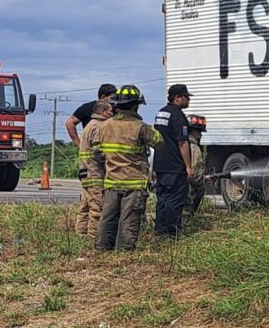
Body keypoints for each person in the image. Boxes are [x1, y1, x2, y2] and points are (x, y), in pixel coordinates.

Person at [95, 85, 161, 251]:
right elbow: (159, 142)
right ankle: (124, 251)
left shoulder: (104, 126)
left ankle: (102, 249)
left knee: (108, 218)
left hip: (111, 182)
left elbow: (97, 153)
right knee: (129, 219)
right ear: (135, 105)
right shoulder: (140, 127)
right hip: (134, 183)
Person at [153, 84, 193, 238]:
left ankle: (160, 230)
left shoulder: (161, 113)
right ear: (177, 98)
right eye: (186, 97)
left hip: (161, 164)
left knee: (162, 198)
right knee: (175, 199)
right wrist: (188, 166)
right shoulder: (178, 116)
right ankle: (173, 233)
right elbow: (182, 142)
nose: (188, 100)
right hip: (175, 166)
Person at [75, 100, 113, 239]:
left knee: (85, 205)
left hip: (85, 171)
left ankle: (81, 233)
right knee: (97, 207)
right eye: (110, 111)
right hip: (94, 172)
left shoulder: (89, 125)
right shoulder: (98, 126)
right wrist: (109, 164)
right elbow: (98, 151)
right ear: (103, 112)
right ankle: (92, 236)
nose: (112, 113)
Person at [183, 114, 207, 217]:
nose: (200, 135)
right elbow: (196, 176)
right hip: (187, 194)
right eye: (198, 132)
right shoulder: (194, 148)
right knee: (200, 188)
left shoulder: (181, 144)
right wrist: (203, 178)